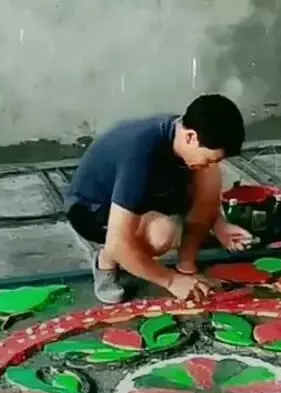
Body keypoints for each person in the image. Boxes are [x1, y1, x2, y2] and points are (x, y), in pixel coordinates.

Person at [65, 94, 254, 304]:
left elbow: (201, 194)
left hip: (145, 195)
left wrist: (219, 225)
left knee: (210, 175)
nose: (210, 163)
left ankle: (186, 266)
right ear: (190, 137)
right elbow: (119, 243)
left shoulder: (183, 134)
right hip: (92, 210)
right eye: (209, 158)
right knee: (163, 235)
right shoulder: (140, 154)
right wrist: (170, 281)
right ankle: (105, 261)